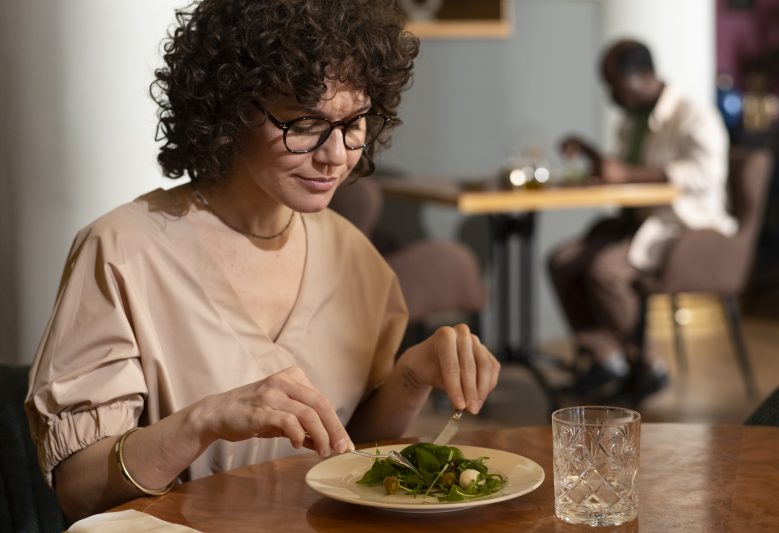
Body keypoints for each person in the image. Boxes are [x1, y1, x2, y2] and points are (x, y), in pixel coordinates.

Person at [24, 0, 500, 521]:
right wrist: (204, 421)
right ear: (230, 111)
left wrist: (411, 376)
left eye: (355, 122)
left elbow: (347, 462)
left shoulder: (356, 260)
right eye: (305, 124)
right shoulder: (121, 252)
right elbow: (78, 490)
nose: (336, 155)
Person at [548, 39, 736, 402]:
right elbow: (623, 173)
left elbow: (706, 175)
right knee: (562, 262)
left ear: (646, 76)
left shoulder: (694, 115)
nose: (613, 96)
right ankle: (607, 356)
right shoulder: (631, 123)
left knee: (605, 269)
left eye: (617, 85)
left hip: (686, 228)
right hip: (639, 223)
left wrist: (631, 173)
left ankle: (650, 366)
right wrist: (595, 159)